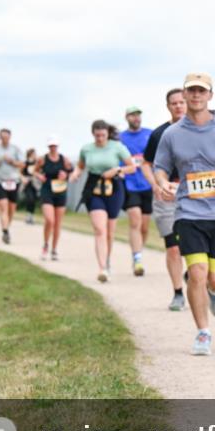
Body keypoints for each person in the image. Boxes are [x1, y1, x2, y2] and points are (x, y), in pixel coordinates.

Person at [154, 72, 215, 356]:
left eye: (201, 91)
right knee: (197, 272)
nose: (195, 96)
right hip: (189, 212)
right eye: (191, 91)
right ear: (184, 95)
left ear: (210, 95)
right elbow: (160, 166)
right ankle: (203, 333)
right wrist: (162, 183)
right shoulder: (172, 134)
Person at [71, 119, 136, 282]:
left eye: (103, 135)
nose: (100, 138)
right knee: (100, 229)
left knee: (110, 230)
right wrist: (75, 173)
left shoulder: (117, 147)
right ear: (93, 134)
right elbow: (80, 165)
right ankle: (102, 268)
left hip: (114, 187)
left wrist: (117, 169)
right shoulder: (87, 149)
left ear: (108, 134)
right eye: (97, 135)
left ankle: (107, 259)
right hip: (94, 188)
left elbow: (132, 167)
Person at [142, 89, 189, 311]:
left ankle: (193, 273)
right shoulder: (159, 134)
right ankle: (178, 292)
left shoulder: (200, 130)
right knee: (173, 247)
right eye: (174, 103)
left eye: (182, 102)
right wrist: (156, 184)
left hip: (193, 194)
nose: (179, 106)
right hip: (166, 195)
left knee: (193, 244)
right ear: (168, 106)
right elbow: (146, 163)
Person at [120, 106, 154, 276]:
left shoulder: (150, 134)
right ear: (127, 117)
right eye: (132, 115)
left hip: (147, 184)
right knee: (135, 219)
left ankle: (139, 252)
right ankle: (137, 258)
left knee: (145, 226)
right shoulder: (120, 138)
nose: (136, 118)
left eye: (138, 115)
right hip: (129, 184)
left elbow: (158, 156)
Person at [37, 135, 74, 261]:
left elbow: (73, 172)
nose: (53, 148)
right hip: (47, 190)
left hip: (60, 191)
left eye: (55, 146)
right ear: (48, 147)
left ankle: (54, 249)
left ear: (57, 146)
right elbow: (34, 171)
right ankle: (46, 244)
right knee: (50, 220)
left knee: (58, 223)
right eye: (50, 146)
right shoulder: (42, 159)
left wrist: (66, 174)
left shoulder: (64, 160)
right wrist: (39, 176)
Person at [0, 129, 24, 244]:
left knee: (12, 208)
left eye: (6, 137)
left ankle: (7, 226)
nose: (4, 139)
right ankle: (5, 232)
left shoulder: (15, 149)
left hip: (13, 180)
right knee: (3, 206)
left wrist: (12, 161)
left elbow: (22, 164)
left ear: (10, 137)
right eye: (2, 137)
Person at [21, 148, 40, 225]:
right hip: (27, 184)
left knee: (33, 201)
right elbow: (21, 172)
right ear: (30, 154)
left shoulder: (36, 163)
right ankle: (28, 216)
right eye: (33, 154)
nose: (35, 155)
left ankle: (31, 216)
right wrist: (23, 178)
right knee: (30, 199)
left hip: (35, 184)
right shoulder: (25, 163)